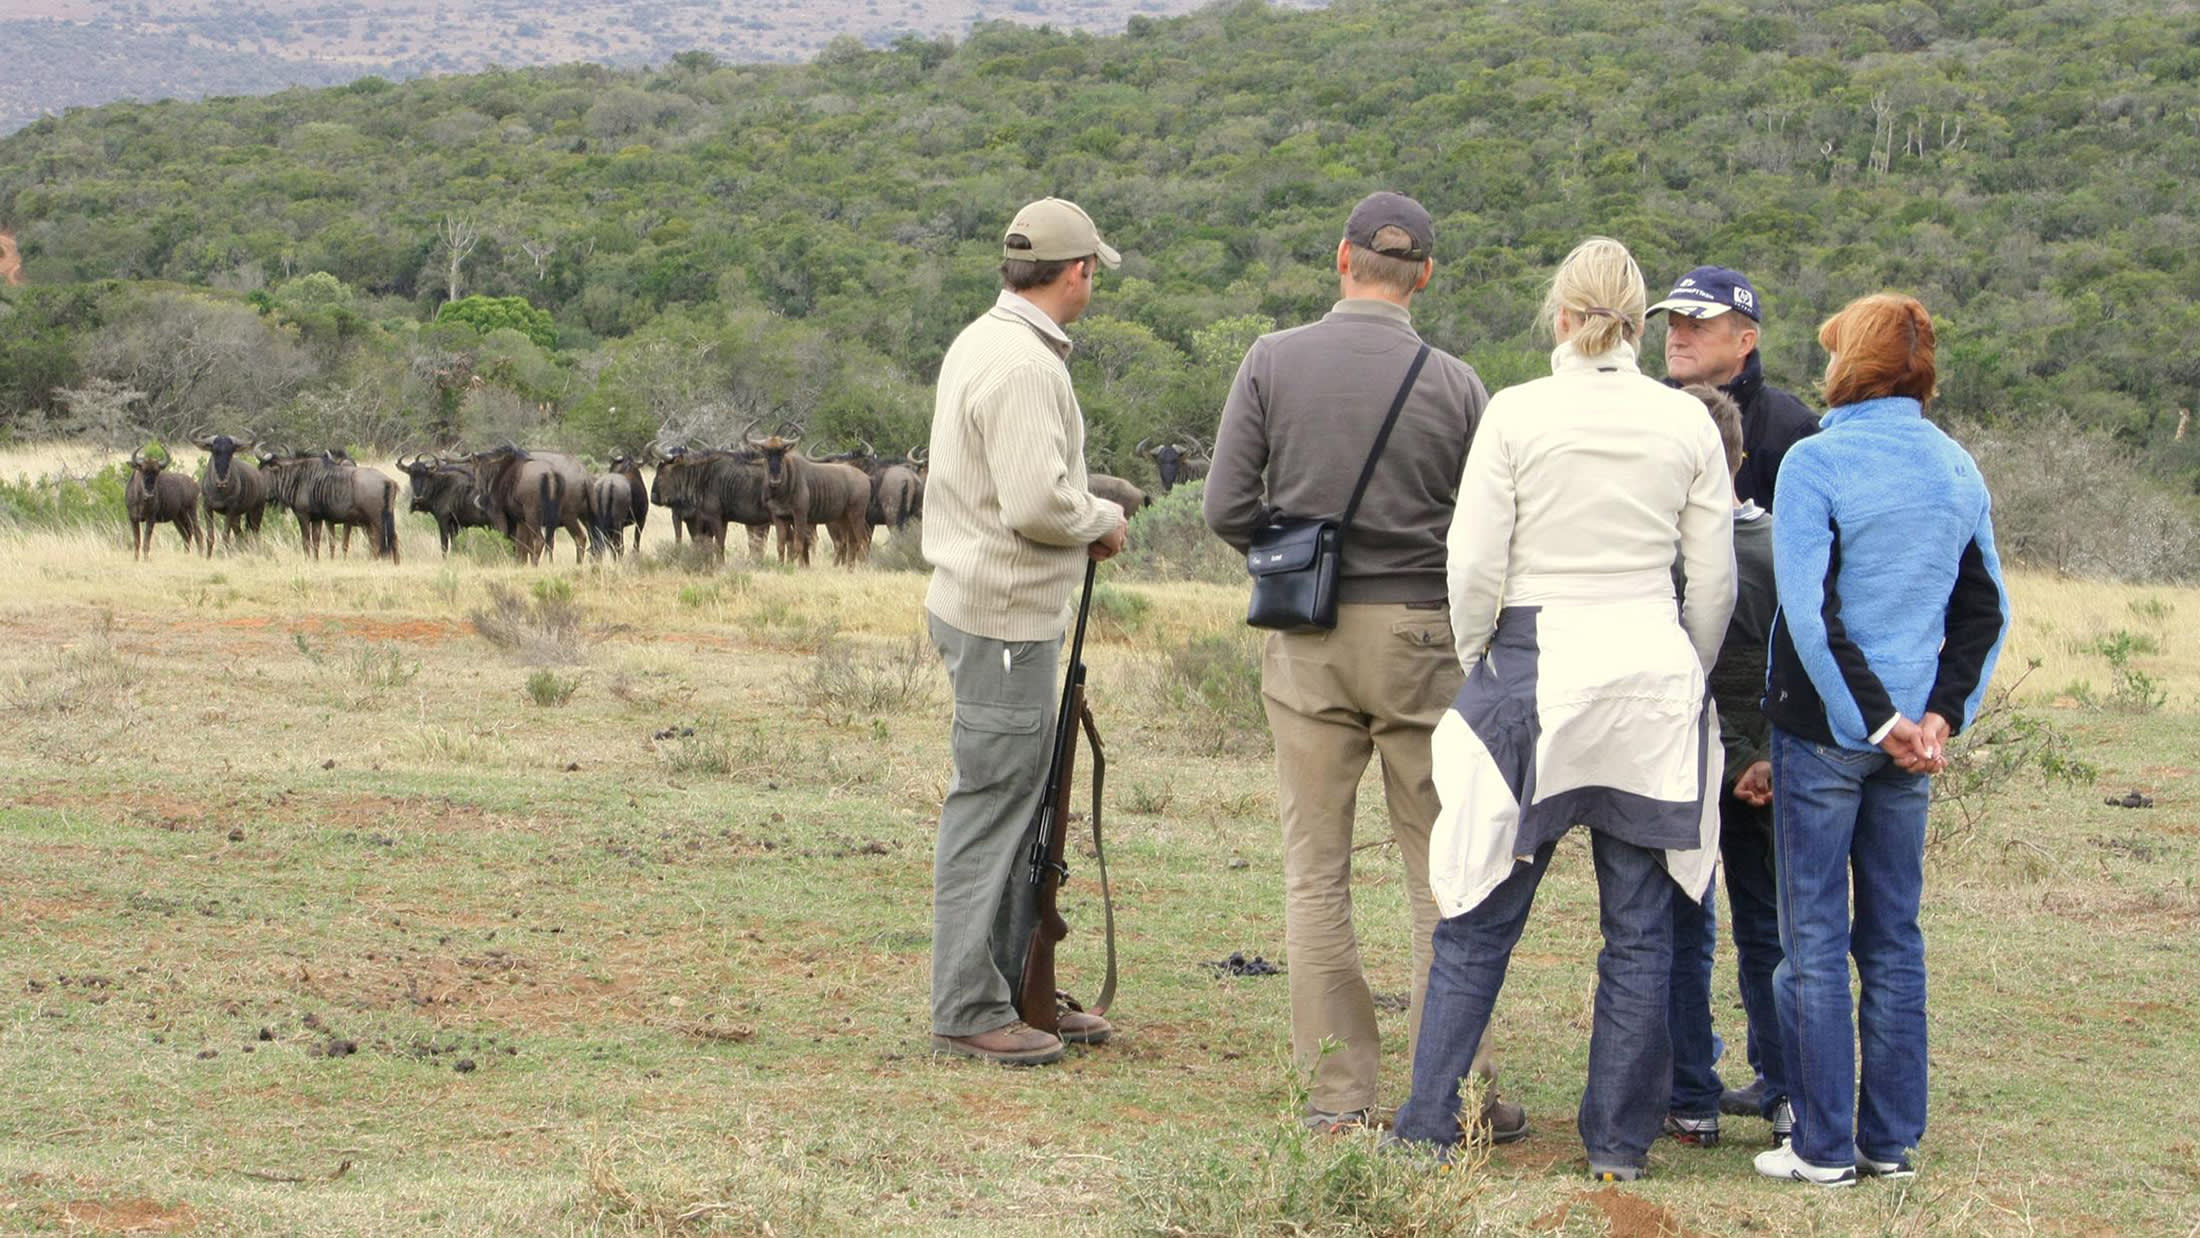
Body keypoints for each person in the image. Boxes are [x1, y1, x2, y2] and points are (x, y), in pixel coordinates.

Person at [1391, 236, 1735, 1182]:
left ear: (1560, 316)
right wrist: (1681, 671)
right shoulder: (1687, 425)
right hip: (1650, 666)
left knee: (1479, 916)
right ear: (1637, 321)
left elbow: (1473, 566)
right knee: (1640, 928)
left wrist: (1483, 662)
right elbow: (1712, 582)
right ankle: (1618, 1148)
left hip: (1535, 664)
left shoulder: (1517, 413)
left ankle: (1425, 1127)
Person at [1203, 191, 1509, 1136]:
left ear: (1342, 260)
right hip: (1424, 635)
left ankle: (1338, 1097)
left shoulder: (1272, 359)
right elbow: (1490, 527)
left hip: (1310, 637)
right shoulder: (1458, 384)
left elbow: (1221, 506)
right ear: (1423, 272)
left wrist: (1296, 551)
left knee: (1315, 868)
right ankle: (1455, 1092)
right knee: (1443, 870)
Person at [1754, 293, 2008, 1186]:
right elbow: (1987, 610)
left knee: (1812, 941)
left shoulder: (1814, 464)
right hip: (1912, 746)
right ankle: (1887, 1142)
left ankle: (1821, 1147)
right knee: (1893, 937)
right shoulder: (1957, 469)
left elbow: (1811, 616)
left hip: (1827, 733)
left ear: (1847, 364)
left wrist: (1880, 720)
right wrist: (1936, 716)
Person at [922, 197, 1131, 1067]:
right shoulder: (1024, 366)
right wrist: (1102, 517)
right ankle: (971, 1004)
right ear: (1076, 271)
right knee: (995, 804)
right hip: (1004, 616)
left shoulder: (988, 340)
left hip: (995, 609)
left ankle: (1009, 988)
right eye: (1093, 271)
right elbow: (1037, 502)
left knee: (1018, 803)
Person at [1661, 384, 1789, 1152]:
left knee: (1684, 920)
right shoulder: (1785, 545)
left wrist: (1733, 757)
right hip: (1772, 767)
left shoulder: (1666, 557)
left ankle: (1691, 1095)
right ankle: (1787, 1093)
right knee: (1770, 929)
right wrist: (1764, 758)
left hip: (1689, 760)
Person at [1649, 265, 1819, 510]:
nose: (1678, 339)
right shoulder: (1642, 412)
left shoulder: (1792, 429)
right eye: (1673, 325)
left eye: (1696, 327)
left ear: (1744, 342)